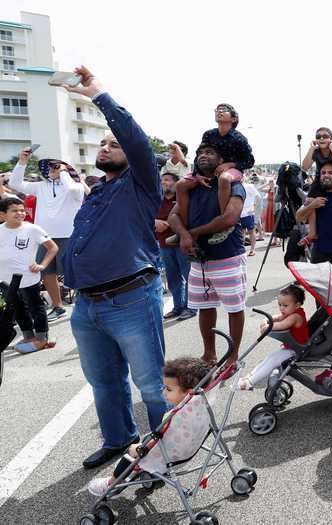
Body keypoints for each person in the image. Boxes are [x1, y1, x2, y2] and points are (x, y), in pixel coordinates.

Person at [60, 66, 168, 470]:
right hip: (87, 307)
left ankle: (161, 454)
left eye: (113, 144)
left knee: (152, 386)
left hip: (131, 300)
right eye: (102, 144)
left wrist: (100, 96)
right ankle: (119, 439)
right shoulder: (100, 189)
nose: (105, 147)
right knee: (104, 382)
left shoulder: (141, 182)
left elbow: (136, 141)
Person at [168, 143, 247, 367]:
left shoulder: (233, 184)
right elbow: (174, 216)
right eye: (200, 153)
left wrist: (191, 234)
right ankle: (209, 354)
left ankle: (233, 356)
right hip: (199, 259)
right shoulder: (191, 186)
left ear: (221, 159)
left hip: (227, 255)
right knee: (204, 307)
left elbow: (230, 218)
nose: (203, 156)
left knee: (234, 309)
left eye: (210, 152)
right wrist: (184, 235)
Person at [86, 357, 210, 497]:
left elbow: (152, 443)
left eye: (168, 389)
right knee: (145, 443)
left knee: (132, 453)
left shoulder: (173, 417)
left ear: (188, 393)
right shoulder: (202, 406)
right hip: (189, 450)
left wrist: (138, 448)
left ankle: (112, 485)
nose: (164, 392)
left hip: (168, 458)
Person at [9, 150, 88, 322]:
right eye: (51, 167)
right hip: (45, 237)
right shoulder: (40, 186)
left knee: (74, 271)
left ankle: (86, 303)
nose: (53, 169)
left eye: (56, 166)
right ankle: (58, 307)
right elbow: (15, 183)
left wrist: (64, 173)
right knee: (46, 272)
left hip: (70, 235)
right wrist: (22, 161)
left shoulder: (74, 185)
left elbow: (75, 192)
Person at [169, 103, 254, 246]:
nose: (219, 112)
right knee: (181, 185)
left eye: (224, 110)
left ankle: (223, 226)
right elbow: (199, 154)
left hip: (230, 170)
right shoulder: (209, 134)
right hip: (209, 170)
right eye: (217, 110)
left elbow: (249, 160)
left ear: (233, 119)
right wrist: (197, 174)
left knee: (224, 179)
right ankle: (185, 227)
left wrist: (229, 165)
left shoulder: (239, 138)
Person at [0, 196, 58, 353]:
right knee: (16, 308)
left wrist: (42, 265)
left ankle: (42, 337)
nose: (20, 213)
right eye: (14, 211)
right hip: (5, 280)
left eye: (22, 210)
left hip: (28, 278)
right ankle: (28, 335)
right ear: (2, 215)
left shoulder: (32, 229)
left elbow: (52, 248)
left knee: (35, 307)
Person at [238, 284, 309, 390]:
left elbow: (281, 325)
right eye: (279, 304)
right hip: (291, 347)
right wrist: (267, 319)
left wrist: (268, 326)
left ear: (297, 305)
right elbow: (278, 317)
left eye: (285, 306)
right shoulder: (290, 311)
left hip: (297, 349)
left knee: (272, 361)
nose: (281, 308)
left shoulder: (295, 316)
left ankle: (249, 382)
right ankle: (250, 377)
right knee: (268, 358)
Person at [156, 172, 196, 321]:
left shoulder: (183, 198)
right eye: (162, 180)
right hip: (164, 244)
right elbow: (146, 217)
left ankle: (191, 307)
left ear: (176, 183)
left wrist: (168, 223)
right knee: (173, 278)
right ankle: (178, 307)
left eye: (167, 180)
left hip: (182, 243)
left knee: (188, 276)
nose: (163, 182)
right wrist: (155, 222)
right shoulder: (157, 199)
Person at [241, 175, 262, 256]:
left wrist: (254, 207)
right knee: (241, 232)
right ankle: (242, 250)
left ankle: (252, 250)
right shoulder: (235, 186)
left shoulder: (249, 186)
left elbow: (258, 197)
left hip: (248, 213)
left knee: (251, 231)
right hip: (239, 213)